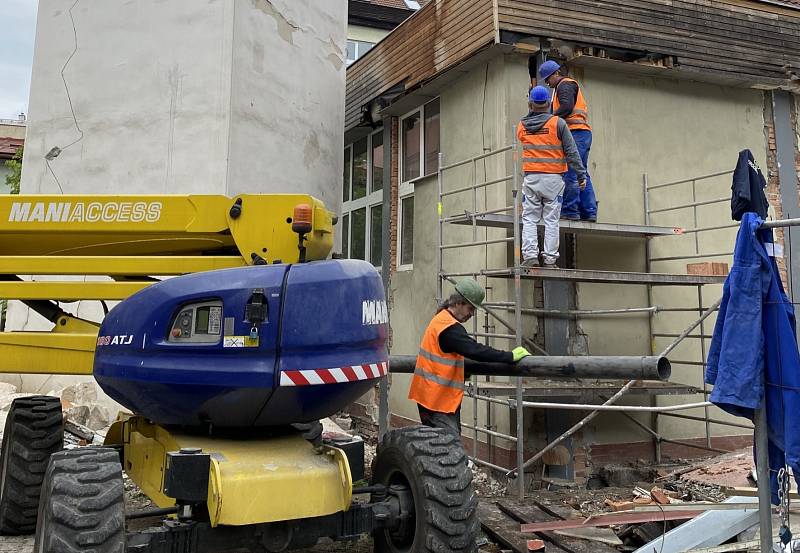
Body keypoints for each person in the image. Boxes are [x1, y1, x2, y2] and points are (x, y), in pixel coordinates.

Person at [407, 279, 531, 436]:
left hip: (430, 396)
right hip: (437, 401)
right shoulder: (449, 328)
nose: (472, 314)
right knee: (448, 449)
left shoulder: (441, 318)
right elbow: (476, 350)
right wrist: (510, 356)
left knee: (438, 447)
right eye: (470, 308)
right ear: (458, 303)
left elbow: (448, 355)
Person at [516, 86, 586, 268]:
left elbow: (526, 134)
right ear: (548, 103)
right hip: (553, 180)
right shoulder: (558, 123)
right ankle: (550, 260)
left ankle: (530, 256)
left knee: (530, 218)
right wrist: (581, 175)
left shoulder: (522, 125)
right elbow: (572, 152)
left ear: (530, 103)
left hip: (531, 178)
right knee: (551, 220)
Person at [539, 60, 597, 222]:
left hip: (576, 133)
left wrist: (550, 120)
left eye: (547, 79)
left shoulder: (564, 85)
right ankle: (589, 211)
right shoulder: (563, 87)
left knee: (571, 172)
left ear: (555, 74)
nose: (547, 83)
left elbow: (566, 107)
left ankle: (571, 211)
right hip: (581, 133)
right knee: (581, 173)